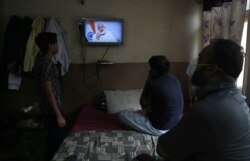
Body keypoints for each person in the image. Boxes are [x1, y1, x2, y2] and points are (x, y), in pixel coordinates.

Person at [156, 39, 250, 161]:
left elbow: (162, 150)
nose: (194, 64)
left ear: (212, 70)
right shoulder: (238, 99)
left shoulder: (207, 110)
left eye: (199, 59)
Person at [118, 55, 184, 136]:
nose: (148, 70)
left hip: (160, 128)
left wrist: (149, 78)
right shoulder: (175, 80)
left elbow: (142, 104)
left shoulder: (155, 83)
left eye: (150, 68)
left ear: (154, 70)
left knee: (122, 115)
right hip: (176, 126)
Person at [33, 32, 66, 161]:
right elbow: (48, 91)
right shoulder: (46, 64)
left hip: (48, 105)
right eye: (56, 43)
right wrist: (58, 115)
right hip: (52, 107)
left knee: (54, 140)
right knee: (55, 142)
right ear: (50, 45)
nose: (58, 46)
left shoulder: (40, 60)